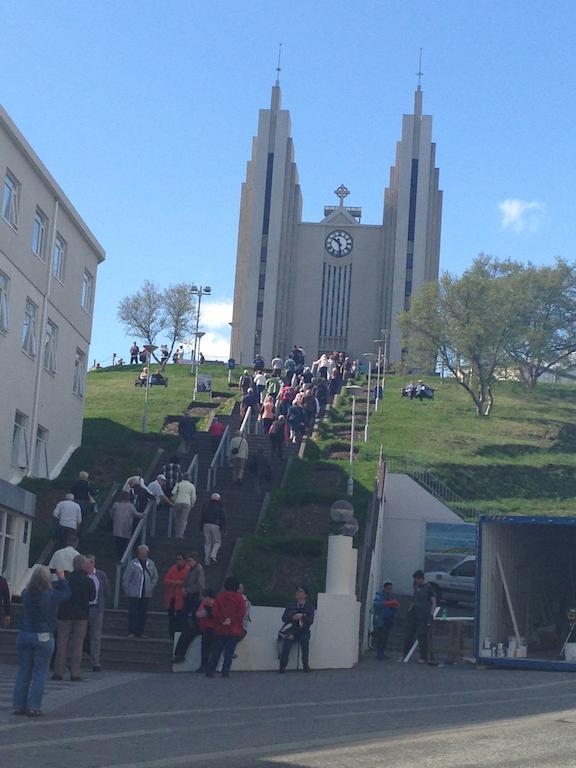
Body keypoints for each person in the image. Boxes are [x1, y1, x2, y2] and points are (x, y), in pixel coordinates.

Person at [12, 566, 70, 717]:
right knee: (40, 672)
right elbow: (67, 593)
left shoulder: (26, 594)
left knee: (24, 671)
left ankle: (19, 705)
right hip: (43, 635)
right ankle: (33, 707)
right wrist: (61, 577)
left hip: (25, 634)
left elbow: (29, 589)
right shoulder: (51, 595)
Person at [52, 555, 96, 681]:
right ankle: (75, 673)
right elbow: (92, 597)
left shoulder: (67, 579)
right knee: (78, 644)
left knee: (61, 643)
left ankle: (58, 672)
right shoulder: (88, 581)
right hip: (81, 616)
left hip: (64, 614)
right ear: (83, 566)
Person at [205, 576, 247, 678]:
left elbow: (215, 611)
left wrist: (223, 620)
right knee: (229, 651)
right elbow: (242, 612)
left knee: (216, 650)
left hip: (220, 628)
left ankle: (211, 670)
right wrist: (231, 620)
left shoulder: (220, 596)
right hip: (234, 629)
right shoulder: (239, 598)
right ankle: (225, 671)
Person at [172, 553, 206, 663]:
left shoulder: (198, 570)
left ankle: (179, 655)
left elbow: (200, 585)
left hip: (194, 600)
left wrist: (188, 590)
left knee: (189, 627)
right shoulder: (192, 570)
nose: (188, 563)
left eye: (190, 560)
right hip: (190, 599)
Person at [122, 545, 159, 638]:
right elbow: (126, 578)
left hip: (146, 593)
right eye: (141, 553)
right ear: (138, 553)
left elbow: (155, 576)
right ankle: (131, 631)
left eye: (144, 553)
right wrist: (127, 590)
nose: (143, 555)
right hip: (134, 593)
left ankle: (140, 632)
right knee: (133, 613)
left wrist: (151, 586)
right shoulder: (132, 564)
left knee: (143, 613)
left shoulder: (151, 563)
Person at [402, 569, 437, 663]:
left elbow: (434, 602)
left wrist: (431, 614)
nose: (416, 582)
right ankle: (406, 655)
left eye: (417, 579)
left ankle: (423, 657)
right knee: (409, 634)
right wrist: (409, 610)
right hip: (414, 613)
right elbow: (414, 599)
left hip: (424, 614)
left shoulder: (429, 587)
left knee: (422, 635)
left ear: (421, 578)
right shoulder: (415, 585)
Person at [278, 586, 315, 673]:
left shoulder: (310, 606)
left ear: (305, 595)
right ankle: (282, 666)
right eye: (297, 591)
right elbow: (284, 618)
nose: (297, 593)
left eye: (300, 591)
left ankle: (305, 666)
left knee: (305, 643)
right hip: (292, 630)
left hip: (304, 630)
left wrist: (302, 616)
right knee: (287, 644)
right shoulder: (291, 605)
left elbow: (310, 620)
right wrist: (292, 617)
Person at [85, 555, 110, 671]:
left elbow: (106, 591)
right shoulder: (83, 575)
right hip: (84, 609)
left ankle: (95, 661)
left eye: (88, 564)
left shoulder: (101, 575)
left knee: (96, 635)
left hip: (97, 608)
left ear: (92, 564)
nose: (86, 567)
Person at [110, 491, 144, 560]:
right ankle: (124, 557)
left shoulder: (116, 505)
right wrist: (143, 514)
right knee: (124, 543)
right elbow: (136, 514)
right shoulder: (130, 506)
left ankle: (119, 557)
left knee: (118, 543)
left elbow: (111, 513)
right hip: (126, 527)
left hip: (117, 528)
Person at [163, 554, 190, 640]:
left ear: (185, 560)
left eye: (180, 559)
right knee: (171, 618)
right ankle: (172, 635)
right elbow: (165, 580)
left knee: (180, 619)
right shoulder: (173, 568)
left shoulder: (188, 570)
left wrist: (180, 583)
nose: (178, 561)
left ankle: (178, 635)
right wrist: (173, 582)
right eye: (177, 559)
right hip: (172, 597)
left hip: (182, 598)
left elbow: (189, 582)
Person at [372, 580, 400, 660]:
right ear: (384, 588)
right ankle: (379, 653)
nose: (389, 590)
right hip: (381, 619)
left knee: (385, 637)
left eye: (390, 589)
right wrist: (388, 603)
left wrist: (395, 606)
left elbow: (396, 607)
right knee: (381, 637)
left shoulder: (391, 596)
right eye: (388, 588)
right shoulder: (379, 595)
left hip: (389, 619)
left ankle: (382, 652)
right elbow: (376, 605)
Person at [200, 493, 226, 566]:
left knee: (207, 543)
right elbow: (223, 518)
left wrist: (201, 526)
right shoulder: (220, 507)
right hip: (215, 525)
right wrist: (223, 528)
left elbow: (202, 516)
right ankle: (213, 555)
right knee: (217, 542)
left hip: (206, 525)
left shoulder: (206, 506)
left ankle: (207, 561)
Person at [195, 589, 217, 673]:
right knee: (208, 649)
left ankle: (205, 666)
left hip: (210, 628)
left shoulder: (209, 604)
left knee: (206, 648)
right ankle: (207, 666)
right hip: (207, 628)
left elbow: (199, 614)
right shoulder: (206, 604)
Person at [170, 474, 197, 539]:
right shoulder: (191, 485)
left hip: (177, 502)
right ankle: (180, 535)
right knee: (183, 519)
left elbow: (173, 492)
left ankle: (176, 534)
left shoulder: (179, 484)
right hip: (187, 503)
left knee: (177, 519)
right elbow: (193, 497)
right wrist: (192, 504)